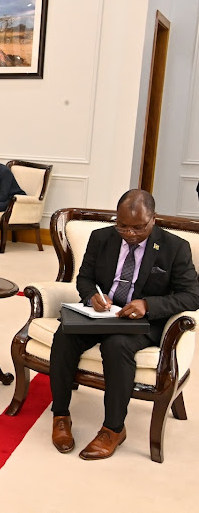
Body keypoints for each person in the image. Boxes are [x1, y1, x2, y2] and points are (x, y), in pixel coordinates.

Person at [50, 190, 199, 460]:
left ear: (153, 219)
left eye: (138, 227)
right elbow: (84, 279)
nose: (129, 233)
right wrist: (92, 296)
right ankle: (60, 415)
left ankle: (113, 429)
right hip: (103, 314)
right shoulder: (101, 238)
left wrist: (149, 305)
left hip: (143, 322)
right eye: (122, 226)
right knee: (65, 333)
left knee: (116, 345)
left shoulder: (175, 248)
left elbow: (191, 295)